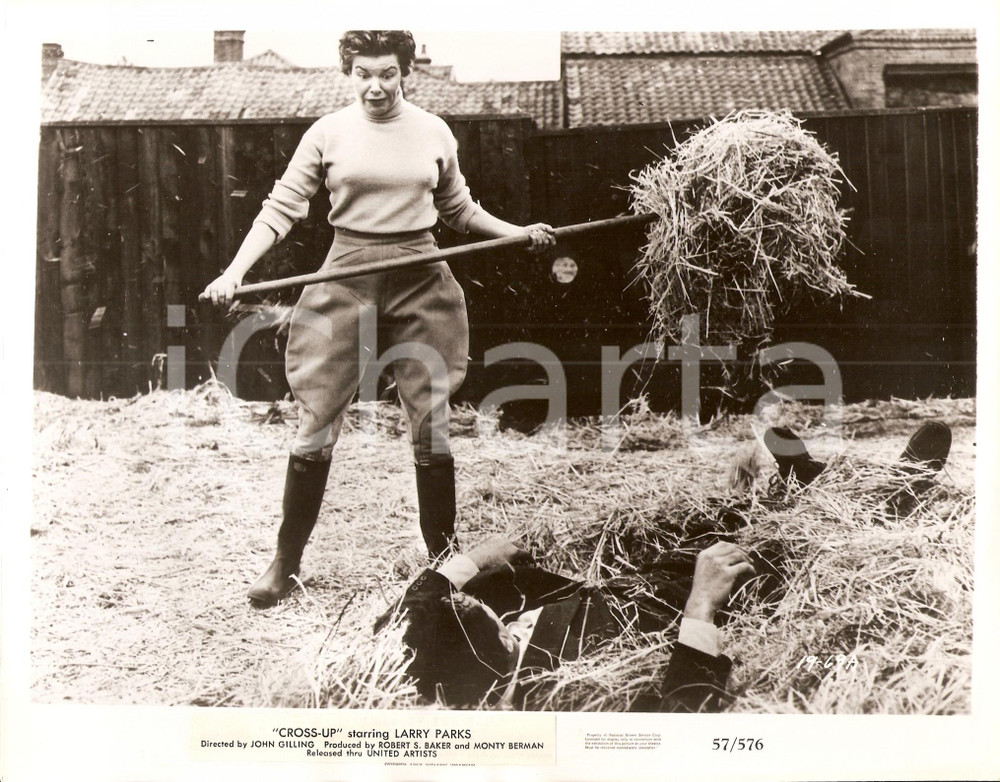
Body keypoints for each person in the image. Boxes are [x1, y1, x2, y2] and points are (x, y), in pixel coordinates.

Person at [201, 31, 556, 606]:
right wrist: (234, 273)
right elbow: (282, 208)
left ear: (405, 71)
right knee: (316, 417)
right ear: (348, 72)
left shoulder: (433, 130)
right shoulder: (328, 133)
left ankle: (445, 564)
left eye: (387, 73)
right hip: (347, 274)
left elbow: (459, 209)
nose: (375, 86)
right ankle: (285, 562)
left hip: (421, 272)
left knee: (431, 420)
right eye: (363, 73)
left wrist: (518, 234)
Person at [376, 420, 953, 711]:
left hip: (642, 581)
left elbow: (414, 609)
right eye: (477, 610)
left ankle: (801, 489)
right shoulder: (557, 696)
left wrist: (472, 561)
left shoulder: (456, 644)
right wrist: (703, 604)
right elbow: (683, 713)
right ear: (495, 649)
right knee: (784, 553)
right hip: (713, 607)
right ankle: (895, 496)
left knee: (700, 524)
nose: (475, 597)